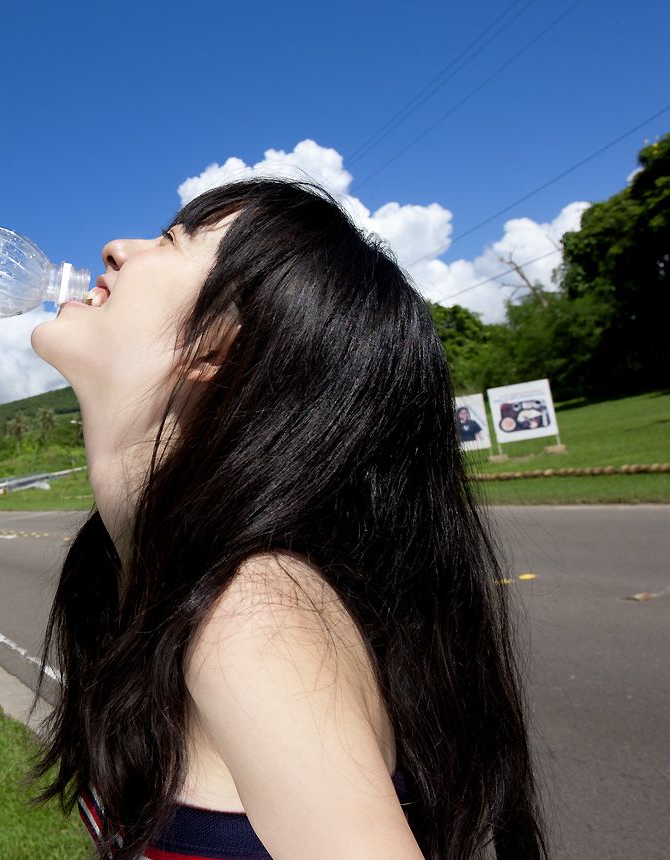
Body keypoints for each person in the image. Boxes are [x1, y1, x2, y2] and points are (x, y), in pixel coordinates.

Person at [29, 179, 546, 860]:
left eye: (171, 241)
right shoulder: (134, 571)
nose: (115, 250)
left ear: (218, 347)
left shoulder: (250, 614)